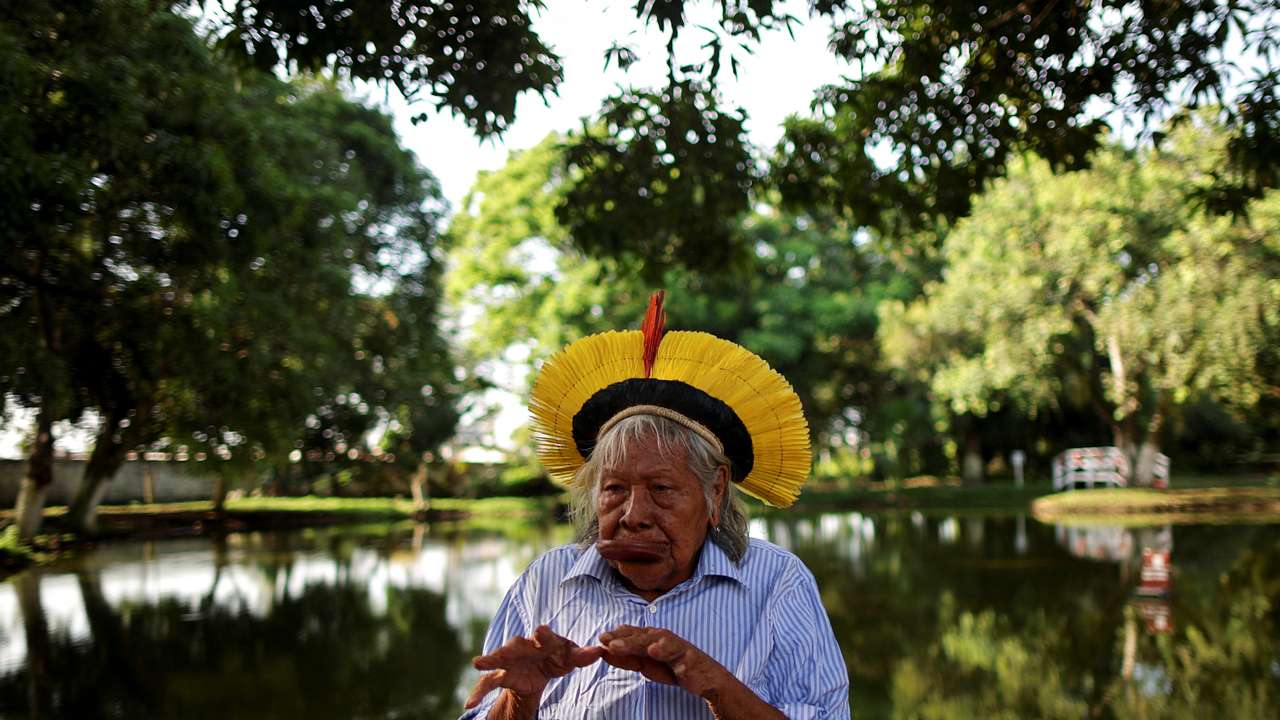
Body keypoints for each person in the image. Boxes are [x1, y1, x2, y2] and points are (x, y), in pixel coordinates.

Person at [460, 292, 850, 719]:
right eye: (614, 489)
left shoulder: (776, 581)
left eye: (661, 489)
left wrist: (716, 685)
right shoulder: (546, 580)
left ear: (716, 490)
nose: (634, 516)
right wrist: (521, 698)